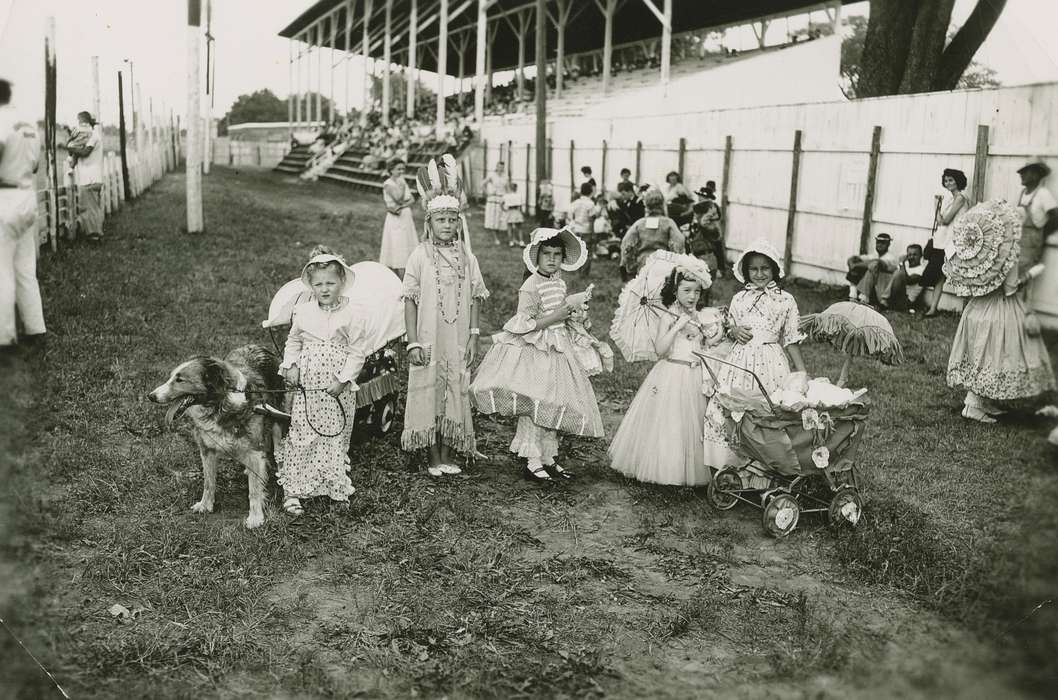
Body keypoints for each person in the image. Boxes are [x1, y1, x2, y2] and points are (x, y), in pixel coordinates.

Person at [471, 227, 603, 481]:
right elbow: (524, 324)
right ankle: (531, 458)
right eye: (546, 254)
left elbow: (562, 313)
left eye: (557, 254)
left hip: (558, 348)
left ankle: (548, 456)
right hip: (537, 348)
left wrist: (577, 317)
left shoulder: (559, 282)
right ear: (536, 257)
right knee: (537, 402)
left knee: (554, 401)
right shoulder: (531, 285)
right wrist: (556, 316)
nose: (552, 259)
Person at [402, 158, 489, 476]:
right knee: (431, 388)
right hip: (428, 335)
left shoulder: (467, 256)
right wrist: (412, 341)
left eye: (453, 219)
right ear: (429, 222)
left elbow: (477, 297)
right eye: (441, 219)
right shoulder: (419, 256)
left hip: (458, 336)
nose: (448, 225)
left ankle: (448, 453)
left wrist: (475, 334)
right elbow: (409, 301)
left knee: (455, 386)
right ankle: (432, 456)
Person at [608, 260, 727, 486]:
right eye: (687, 291)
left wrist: (712, 333)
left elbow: (705, 345)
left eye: (697, 291)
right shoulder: (667, 315)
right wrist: (677, 327)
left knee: (692, 426)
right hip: (671, 373)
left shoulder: (699, 316)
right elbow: (660, 350)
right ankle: (666, 468)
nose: (693, 296)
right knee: (670, 421)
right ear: (675, 290)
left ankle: (690, 466)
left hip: (694, 376)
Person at [945, 201, 1055, 423]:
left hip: (976, 309)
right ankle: (973, 405)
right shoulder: (1008, 254)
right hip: (998, 310)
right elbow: (1011, 288)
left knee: (979, 354)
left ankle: (982, 401)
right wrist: (1031, 274)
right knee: (993, 354)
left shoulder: (984, 252)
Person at [278, 247, 367, 515]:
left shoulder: (353, 313)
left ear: (341, 282)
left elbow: (358, 351)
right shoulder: (303, 312)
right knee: (303, 432)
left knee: (335, 434)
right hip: (309, 385)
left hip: (336, 386)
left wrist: (343, 379)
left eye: (330, 283)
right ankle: (294, 489)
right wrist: (291, 365)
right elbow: (293, 341)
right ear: (311, 286)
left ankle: (332, 485)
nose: (325, 289)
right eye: (318, 284)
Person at [718, 240, 807, 395]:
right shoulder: (739, 299)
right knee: (738, 401)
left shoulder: (785, 300)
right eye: (754, 269)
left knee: (770, 404)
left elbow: (791, 339)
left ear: (774, 269)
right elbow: (728, 329)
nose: (759, 274)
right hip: (740, 362)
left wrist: (802, 374)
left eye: (765, 268)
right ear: (746, 271)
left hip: (771, 363)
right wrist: (734, 330)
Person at [0, 78, 45, 354]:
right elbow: (36, 164)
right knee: (26, 269)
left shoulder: (1, 121)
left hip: (5, 196)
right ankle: (35, 328)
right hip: (28, 195)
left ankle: (4, 337)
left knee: (2, 270)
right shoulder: (27, 124)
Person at [921, 168, 970, 317]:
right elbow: (942, 221)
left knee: (954, 274)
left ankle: (966, 310)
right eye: (946, 180)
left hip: (952, 243)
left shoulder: (960, 198)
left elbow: (945, 220)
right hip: (943, 242)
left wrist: (936, 206)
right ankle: (933, 308)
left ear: (958, 181)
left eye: (951, 180)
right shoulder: (950, 199)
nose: (948, 183)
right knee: (939, 276)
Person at [620, 189, 685, 278]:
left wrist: (628, 265)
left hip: (643, 264)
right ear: (662, 204)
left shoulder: (640, 223)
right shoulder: (669, 223)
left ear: (646, 204)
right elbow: (679, 242)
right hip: (663, 263)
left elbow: (626, 243)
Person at [1015, 158, 1058, 277]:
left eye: (1025, 172)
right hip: (1017, 244)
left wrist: (1042, 234)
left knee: (1023, 281)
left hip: (1031, 247)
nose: (1021, 175)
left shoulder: (1043, 194)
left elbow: (1056, 216)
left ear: (1036, 174)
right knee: (1012, 282)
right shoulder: (1022, 193)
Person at [379, 158, 418, 277]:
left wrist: (401, 206)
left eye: (403, 169)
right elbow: (398, 198)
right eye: (398, 169)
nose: (401, 171)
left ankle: (411, 274)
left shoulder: (402, 181)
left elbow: (412, 199)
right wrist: (401, 188)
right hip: (395, 219)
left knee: (407, 243)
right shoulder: (388, 184)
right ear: (391, 170)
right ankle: (398, 275)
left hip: (405, 215)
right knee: (397, 244)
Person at [69, 111, 104, 243]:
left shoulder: (94, 136)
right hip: (92, 177)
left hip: (91, 178)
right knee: (91, 207)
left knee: (90, 209)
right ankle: (95, 234)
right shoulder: (88, 137)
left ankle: (94, 236)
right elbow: (78, 154)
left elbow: (84, 152)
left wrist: (69, 147)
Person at [846, 233, 899, 305]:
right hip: (872, 287)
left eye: (883, 243)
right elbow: (854, 258)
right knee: (858, 265)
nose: (879, 245)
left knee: (871, 268)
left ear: (888, 244)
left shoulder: (891, 258)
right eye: (878, 242)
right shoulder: (874, 255)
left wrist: (855, 265)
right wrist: (852, 264)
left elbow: (876, 263)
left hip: (883, 290)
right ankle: (853, 296)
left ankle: (863, 298)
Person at [880, 243, 927, 311]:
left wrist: (902, 264)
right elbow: (891, 271)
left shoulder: (922, 270)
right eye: (909, 255)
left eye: (915, 255)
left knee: (898, 273)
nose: (911, 257)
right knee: (880, 271)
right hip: (896, 296)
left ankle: (884, 300)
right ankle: (867, 298)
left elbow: (909, 280)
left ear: (921, 256)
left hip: (906, 302)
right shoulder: (906, 266)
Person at [569, 182, 596, 273]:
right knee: (587, 252)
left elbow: (572, 216)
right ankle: (584, 272)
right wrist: (593, 233)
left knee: (578, 250)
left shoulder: (576, 202)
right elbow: (592, 219)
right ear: (591, 192)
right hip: (586, 230)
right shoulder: (591, 204)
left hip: (576, 229)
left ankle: (577, 270)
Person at [483, 160, 509, 245]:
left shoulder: (505, 177)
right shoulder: (492, 176)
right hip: (493, 199)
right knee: (494, 219)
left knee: (501, 218)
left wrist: (508, 198)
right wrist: (488, 193)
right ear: (496, 167)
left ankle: (502, 236)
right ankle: (495, 238)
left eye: (502, 167)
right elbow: (482, 184)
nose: (501, 168)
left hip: (502, 199)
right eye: (499, 167)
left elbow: (507, 188)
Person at [504, 182, 526, 247]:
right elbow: (521, 206)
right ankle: (521, 241)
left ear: (510, 188)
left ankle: (511, 242)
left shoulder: (506, 196)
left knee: (509, 227)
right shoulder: (519, 195)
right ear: (516, 188)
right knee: (519, 228)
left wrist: (503, 209)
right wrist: (521, 213)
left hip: (510, 211)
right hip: (517, 211)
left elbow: (501, 203)